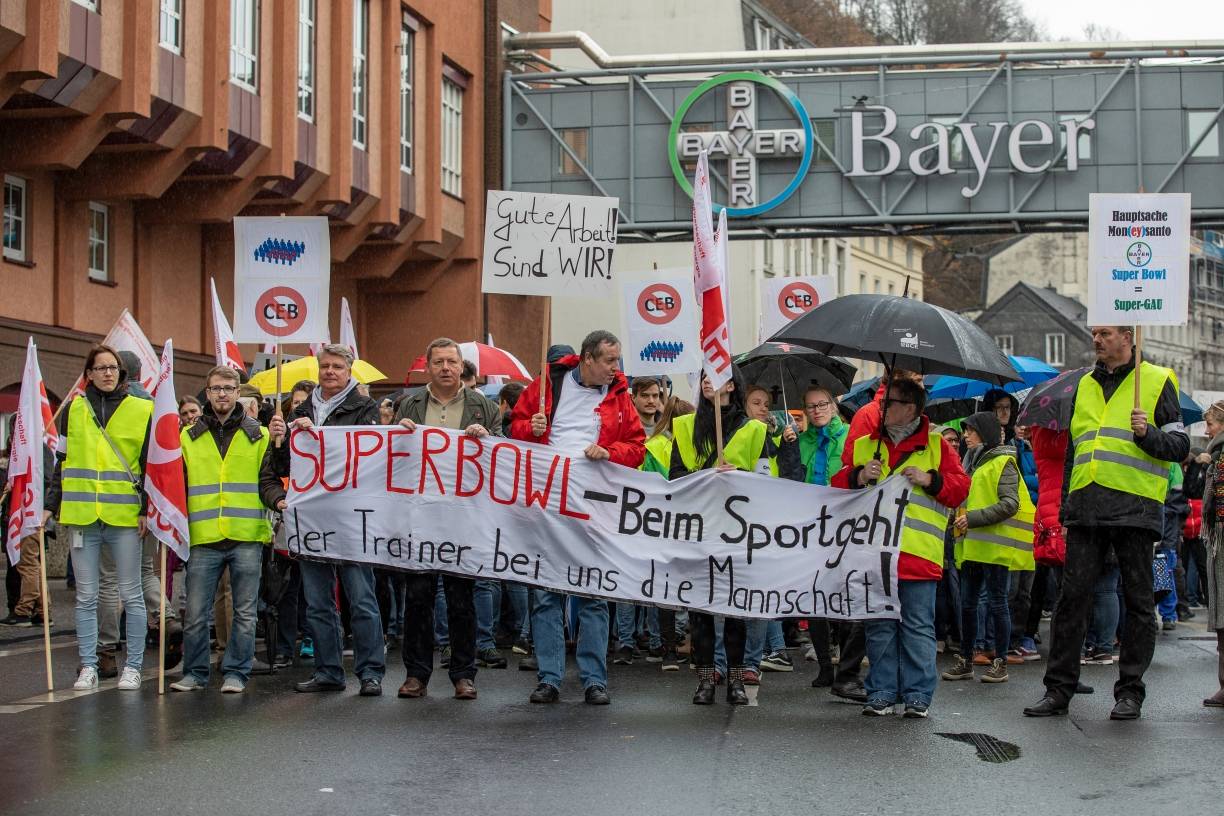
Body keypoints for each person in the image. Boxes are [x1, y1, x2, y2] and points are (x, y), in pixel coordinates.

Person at [1024, 326, 1189, 720]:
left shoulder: (1156, 380)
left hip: (1135, 507)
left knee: (1138, 602)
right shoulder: (1083, 384)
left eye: (1106, 333)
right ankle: (1058, 690)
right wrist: (1065, 509)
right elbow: (1074, 452)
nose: (1097, 340)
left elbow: (1179, 446)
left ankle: (1130, 691)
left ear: (1129, 338)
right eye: (1094, 333)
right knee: (1070, 601)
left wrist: (1147, 433)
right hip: (1086, 507)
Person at [509, 330, 645, 705]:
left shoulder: (619, 397)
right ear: (587, 358)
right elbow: (514, 433)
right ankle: (549, 677)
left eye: (617, 360)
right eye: (609, 361)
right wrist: (528, 428)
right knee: (547, 594)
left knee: (594, 594)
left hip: (593, 508)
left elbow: (637, 449)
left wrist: (609, 451)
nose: (615, 369)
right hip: (548, 504)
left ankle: (593, 680)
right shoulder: (546, 385)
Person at [833, 377, 970, 717]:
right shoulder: (865, 444)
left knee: (916, 627)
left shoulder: (937, 447)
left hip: (917, 554)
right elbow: (837, 487)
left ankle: (917, 695)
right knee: (879, 625)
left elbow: (960, 490)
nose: (881, 408)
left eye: (888, 403)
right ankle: (881, 692)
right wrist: (859, 476)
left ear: (910, 408)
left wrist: (930, 480)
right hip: (874, 555)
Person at [262, 344, 386, 697]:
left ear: (349, 371)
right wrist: (281, 445)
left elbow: (371, 461)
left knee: (361, 599)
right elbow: (275, 472)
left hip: (352, 520)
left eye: (337, 366)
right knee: (318, 602)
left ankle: (370, 672)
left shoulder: (365, 409)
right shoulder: (298, 411)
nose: (330, 371)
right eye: (325, 366)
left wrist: (316, 433)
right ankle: (328, 670)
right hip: (311, 523)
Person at [394, 338, 501, 700]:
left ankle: (463, 674)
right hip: (419, 515)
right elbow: (389, 454)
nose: (445, 368)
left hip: (462, 516)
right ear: (428, 366)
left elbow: (504, 451)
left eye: (451, 362)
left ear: (461, 366)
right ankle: (416, 674)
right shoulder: (408, 403)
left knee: (461, 598)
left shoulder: (482, 406)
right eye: (438, 361)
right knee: (418, 597)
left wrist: (487, 438)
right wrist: (399, 434)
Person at [46, 344, 154, 691]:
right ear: (88, 374)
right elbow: (61, 462)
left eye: (114, 368)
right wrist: (49, 506)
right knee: (86, 596)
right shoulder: (73, 409)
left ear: (122, 374)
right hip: (82, 517)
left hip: (124, 516)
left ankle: (133, 666)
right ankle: (89, 666)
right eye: (101, 368)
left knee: (131, 594)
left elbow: (152, 465)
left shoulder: (143, 409)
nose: (108, 373)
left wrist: (145, 509)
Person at [669, 367, 770, 705]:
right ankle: (705, 679)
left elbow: (771, 480)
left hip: (738, 533)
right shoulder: (683, 427)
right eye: (704, 377)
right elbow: (675, 477)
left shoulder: (755, 429)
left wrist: (739, 476)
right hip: (700, 529)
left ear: (732, 384)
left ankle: (737, 680)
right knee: (700, 611)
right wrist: (704, 476)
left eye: (718, 375)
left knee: (735, 610)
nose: (710, 382)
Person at [170, 366, 273, 693]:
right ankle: (195, 673)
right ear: (208, 392)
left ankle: (236, 673)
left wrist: (278, 501)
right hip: (203, 535)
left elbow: (267, 480)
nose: (223, 394)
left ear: (237, 391)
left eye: (229, 388)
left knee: (244, 613)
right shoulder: (188, 436)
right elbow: (177, 484)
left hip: (246, 534)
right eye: (216, 388)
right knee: (196, 614)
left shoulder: (260, 433)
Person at [941, 411, 1034, 684]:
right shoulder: (972, 462)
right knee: (968, 605)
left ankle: (1000, 662)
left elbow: (1010, 504)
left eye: (971, 430)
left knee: (997, 604)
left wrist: (972, 519)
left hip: (994, 548)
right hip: (972, 546)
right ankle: (967, 660)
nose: (966, 435)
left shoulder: (1003, 462)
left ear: (985, 433)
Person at [740, 384, 803, 682]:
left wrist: (790, 446)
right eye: (756, 402)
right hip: (740, 527)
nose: (763, 408)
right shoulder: (739, 436)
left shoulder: (778, 437)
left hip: (769, 528)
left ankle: (756, 660)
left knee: (760, 593)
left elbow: (793, 480)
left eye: (766, 403)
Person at [614, 377, 669, 665]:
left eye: (655, 395)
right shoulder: (626, 428)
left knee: (655, 579)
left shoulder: (667, 432)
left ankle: (656, 638)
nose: (651, 400)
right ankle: (625, 640)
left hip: (658, 513)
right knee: (627, 578)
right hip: (628, 510)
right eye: (645, 395)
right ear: (634, 398)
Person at [1199, 401, 1224, 708]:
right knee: (1220, 611)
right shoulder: (1216, 458)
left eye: (1212, 425)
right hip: (1218, 538)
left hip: (1222, 538)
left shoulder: (1219, 458)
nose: (1206, 431)